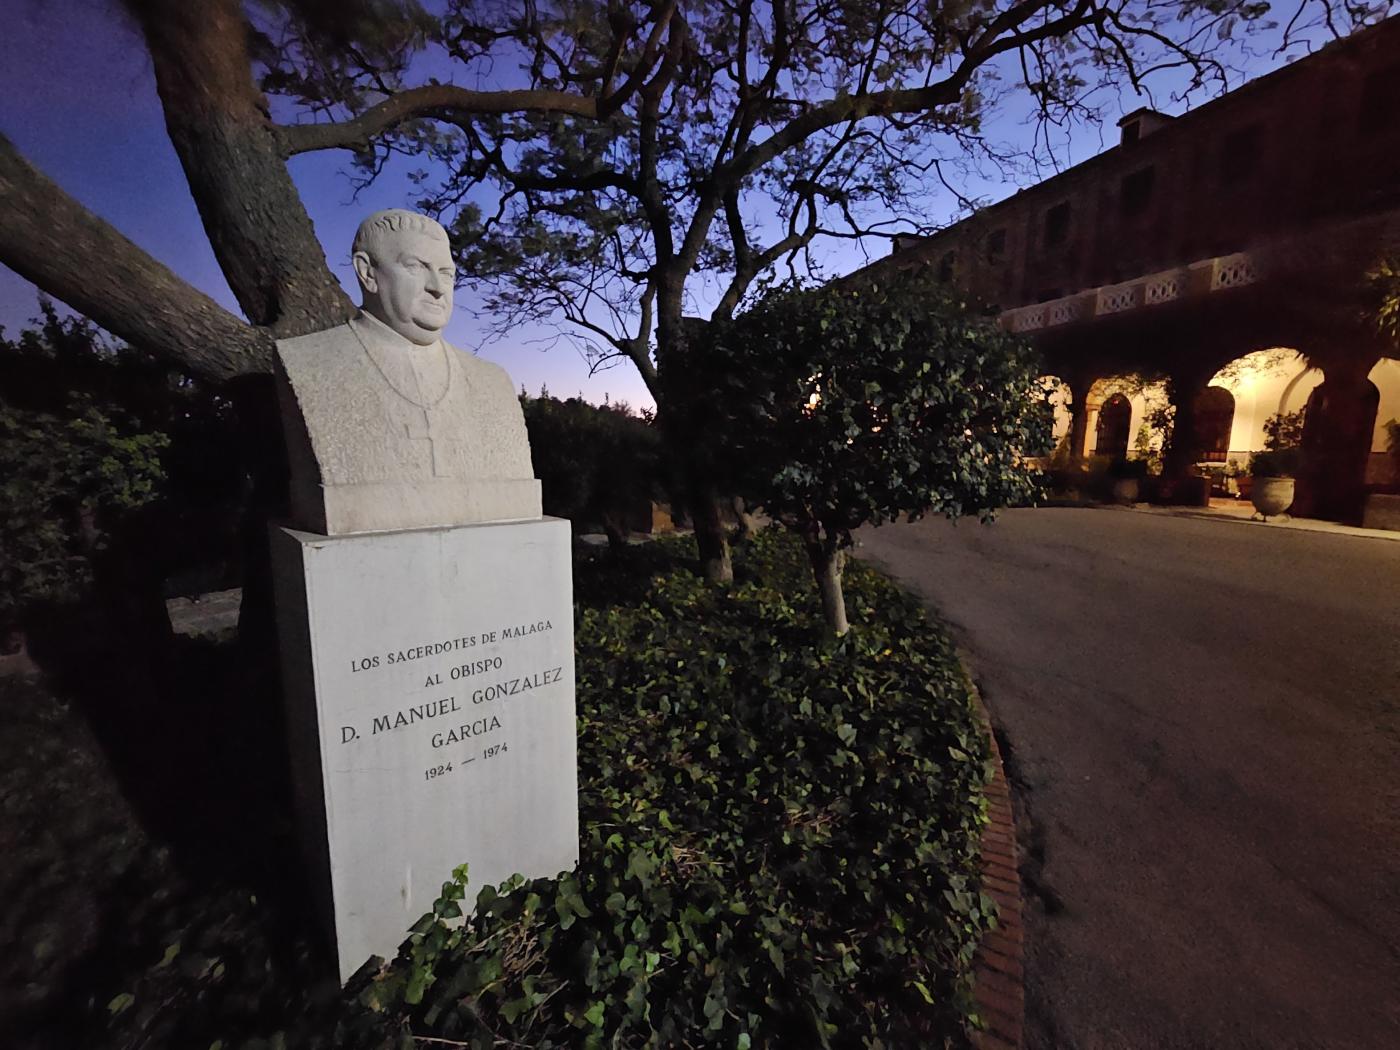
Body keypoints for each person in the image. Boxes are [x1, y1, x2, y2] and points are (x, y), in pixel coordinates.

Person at [275, 210, 540, 535]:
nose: (438, 289)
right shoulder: (309, 361)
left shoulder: (493, 381)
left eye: (447, 274)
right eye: (416, 267)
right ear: (367, 272)